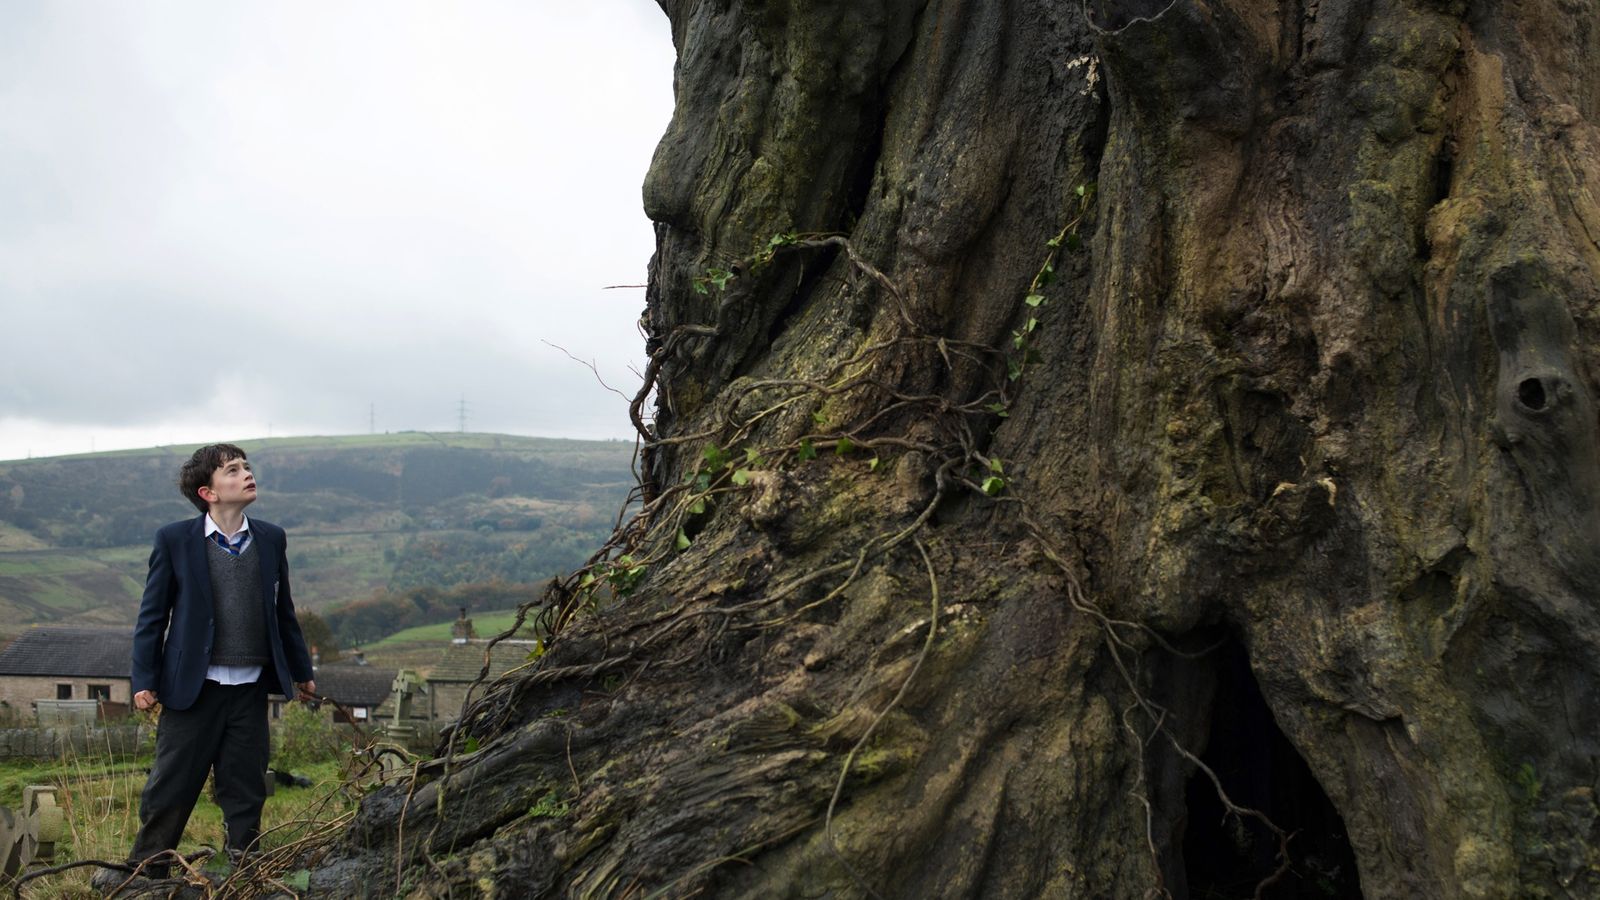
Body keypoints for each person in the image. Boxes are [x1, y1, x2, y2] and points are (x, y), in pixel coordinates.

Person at [100, 443, 316, 887]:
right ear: (208, 492)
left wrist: (302, 671)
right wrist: (144, 678)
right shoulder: (175, 539)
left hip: (250, 687)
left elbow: (284, 612)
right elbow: (152, 616)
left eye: (246, 467)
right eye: (232, 470)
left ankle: (242, 866)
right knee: (172, 784)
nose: (246, 474)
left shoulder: (272, 538)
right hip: (191, 689)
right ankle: (147, 871)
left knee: (245, 784)